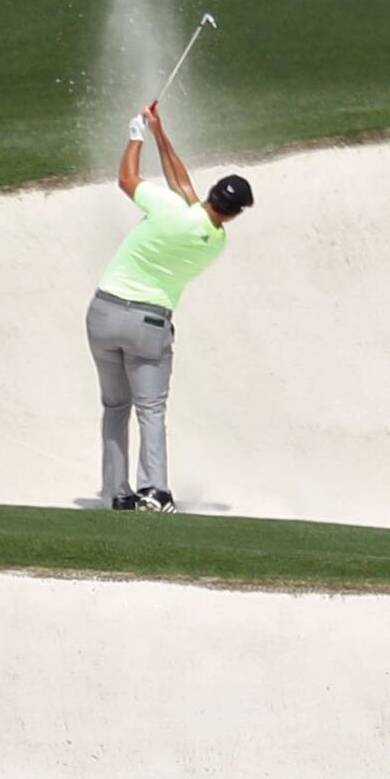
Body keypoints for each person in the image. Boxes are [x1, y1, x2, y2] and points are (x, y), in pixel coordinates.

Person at [89, 99, 253, 510]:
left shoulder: (168, 207)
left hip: (103, 314)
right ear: (233, 214)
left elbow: (127, 179)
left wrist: (136, 136)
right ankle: (154, 490)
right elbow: (184, 188)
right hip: (148, 323)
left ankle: (116, 493)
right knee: (150, 409)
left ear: (210, 194)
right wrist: (159, 131)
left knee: (115, 406)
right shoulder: (214, 241)